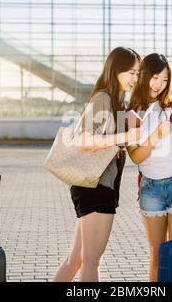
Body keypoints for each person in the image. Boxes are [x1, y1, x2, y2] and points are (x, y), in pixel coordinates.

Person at [53, 47, 141, 282]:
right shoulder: (103, 98)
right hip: (95, 185)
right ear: (116, 70)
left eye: (137, 73)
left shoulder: (117, 101)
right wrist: (124, 137)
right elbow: (83, 138)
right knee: (92, 260)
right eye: (131, 73)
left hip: (100, 184)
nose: (135, 78)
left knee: (78, 259)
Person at [127, 53, 172, 282]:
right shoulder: (130, 112)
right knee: (158, 257)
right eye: (155, 77)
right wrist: (155, 134)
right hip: (151, 189)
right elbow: (136, 157)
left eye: (165, 80)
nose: (159, 84)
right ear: (144, 75)